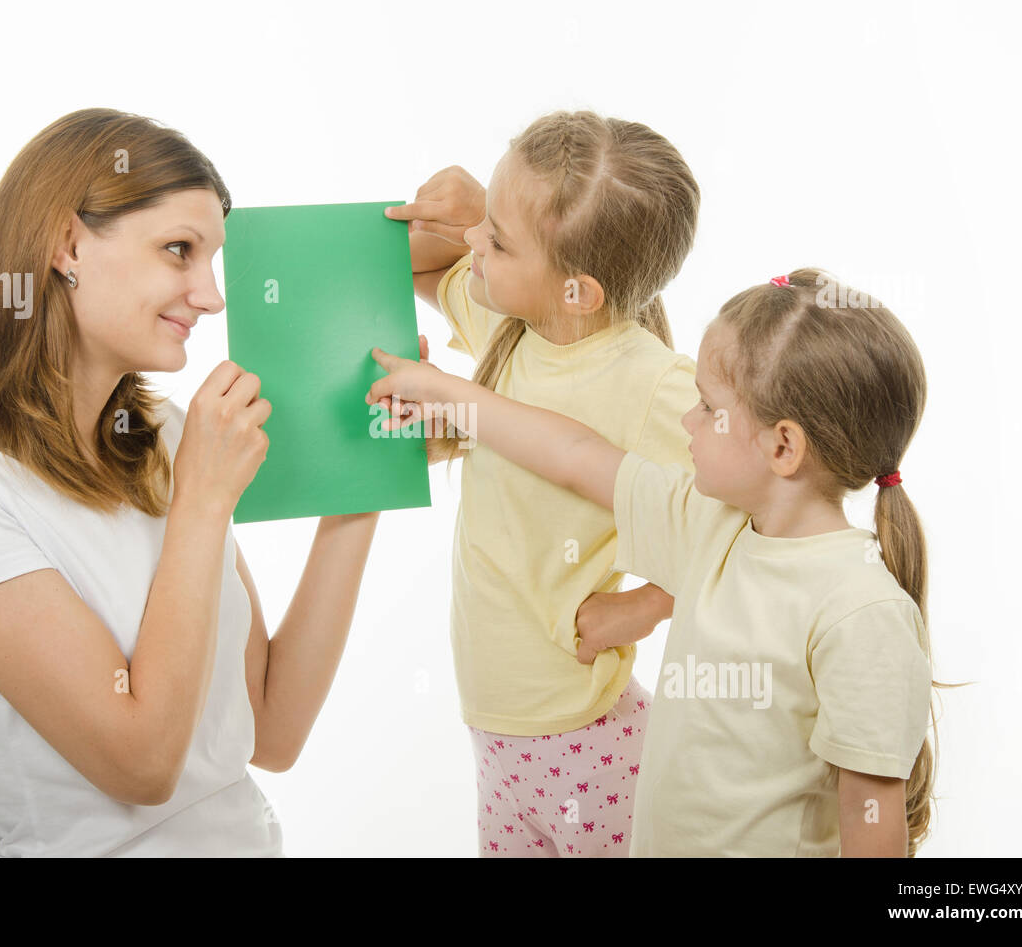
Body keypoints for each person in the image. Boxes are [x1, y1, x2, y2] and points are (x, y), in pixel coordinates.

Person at [0, 108, 381, 856]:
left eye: (211, 260)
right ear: (68, 244)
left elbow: (271, 730)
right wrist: (203, 502)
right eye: (180, 250)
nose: (211, 296)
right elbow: (140, 762)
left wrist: (364, 481)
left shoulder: (167, 436)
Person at [367, 268, 942, 856]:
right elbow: (574, 454)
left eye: (707, 406)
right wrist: (447, 394)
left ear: (783, 447)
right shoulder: (708, 527)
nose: (688, 419)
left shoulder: (859, 611)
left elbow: (872, 827)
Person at [378, 110, 701, 855]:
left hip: (585, 738)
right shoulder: (511, 320)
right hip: (498, 730)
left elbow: (752, 522)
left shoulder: (648, 381)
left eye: (497, 241)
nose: (472, 248)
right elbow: (418, 263)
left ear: (579, 292)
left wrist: (642, 610)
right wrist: (470, 212)